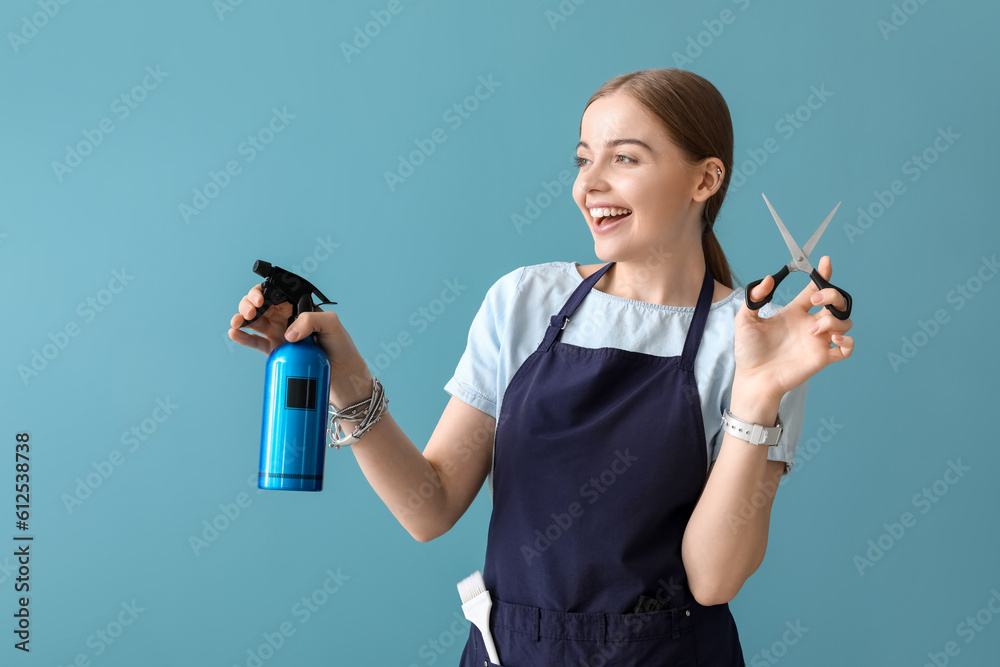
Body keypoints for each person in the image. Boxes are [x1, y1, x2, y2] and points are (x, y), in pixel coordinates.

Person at [229, 68, 854, 666]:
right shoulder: (524, 301)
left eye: (625, 159)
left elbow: (714, 579)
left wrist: (760, 391)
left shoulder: (756, 343)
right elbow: (430, 507)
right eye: (584, 160)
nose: (589, 185)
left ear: (704, 179)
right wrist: (345, 376)